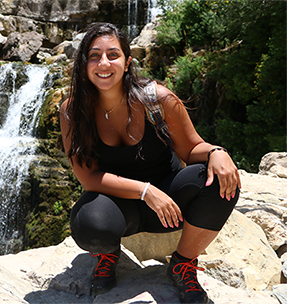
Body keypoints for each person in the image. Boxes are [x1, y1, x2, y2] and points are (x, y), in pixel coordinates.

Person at [60, 22, 241, 304]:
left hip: (170, 205)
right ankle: (108, 254)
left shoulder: (157, 99)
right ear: (84, 63)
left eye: (113, 55)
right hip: (117, 205)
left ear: (128, 61)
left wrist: (217, 151)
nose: (103, 63)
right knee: (87, 225)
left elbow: (193, 148)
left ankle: (182, 265)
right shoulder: (73, 110)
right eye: (94, 56)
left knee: (219, 179)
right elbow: (88, 178)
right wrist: (146, 191)